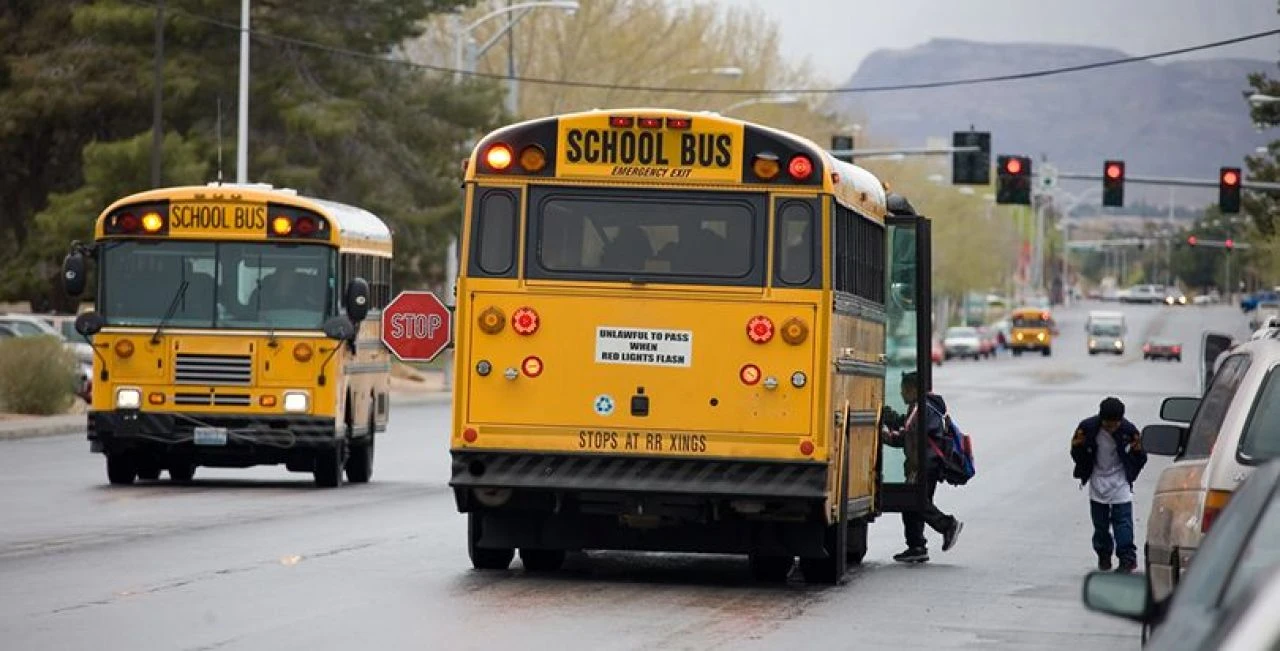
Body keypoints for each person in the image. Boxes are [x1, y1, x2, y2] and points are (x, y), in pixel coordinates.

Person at [880, 371, 964, 563]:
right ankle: (916, 547)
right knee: (911, 505)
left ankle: (947, 524)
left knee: (916, 502)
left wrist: (881, 435)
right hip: (929, 463)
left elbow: (904, 436)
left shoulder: (920, 407)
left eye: (904, 390)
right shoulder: (926, 406)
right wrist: (889, 417)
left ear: (913, 389)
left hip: (923, 464)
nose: (901, 394)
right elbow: (907, 425)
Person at [1070, 397, 1147, 573]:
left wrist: (1130, 474)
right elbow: (1075, 449)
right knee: (1100, 524)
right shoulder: (1086, 429)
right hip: (1098, 480)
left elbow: (1140, 455)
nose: (1111, 428)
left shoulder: (1129, 432)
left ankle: (1127, 559)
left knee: (1123, 522)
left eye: (1115, 424)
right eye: (1107, 424)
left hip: (1120, 482)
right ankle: (1104, 554)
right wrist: (1084, 466)